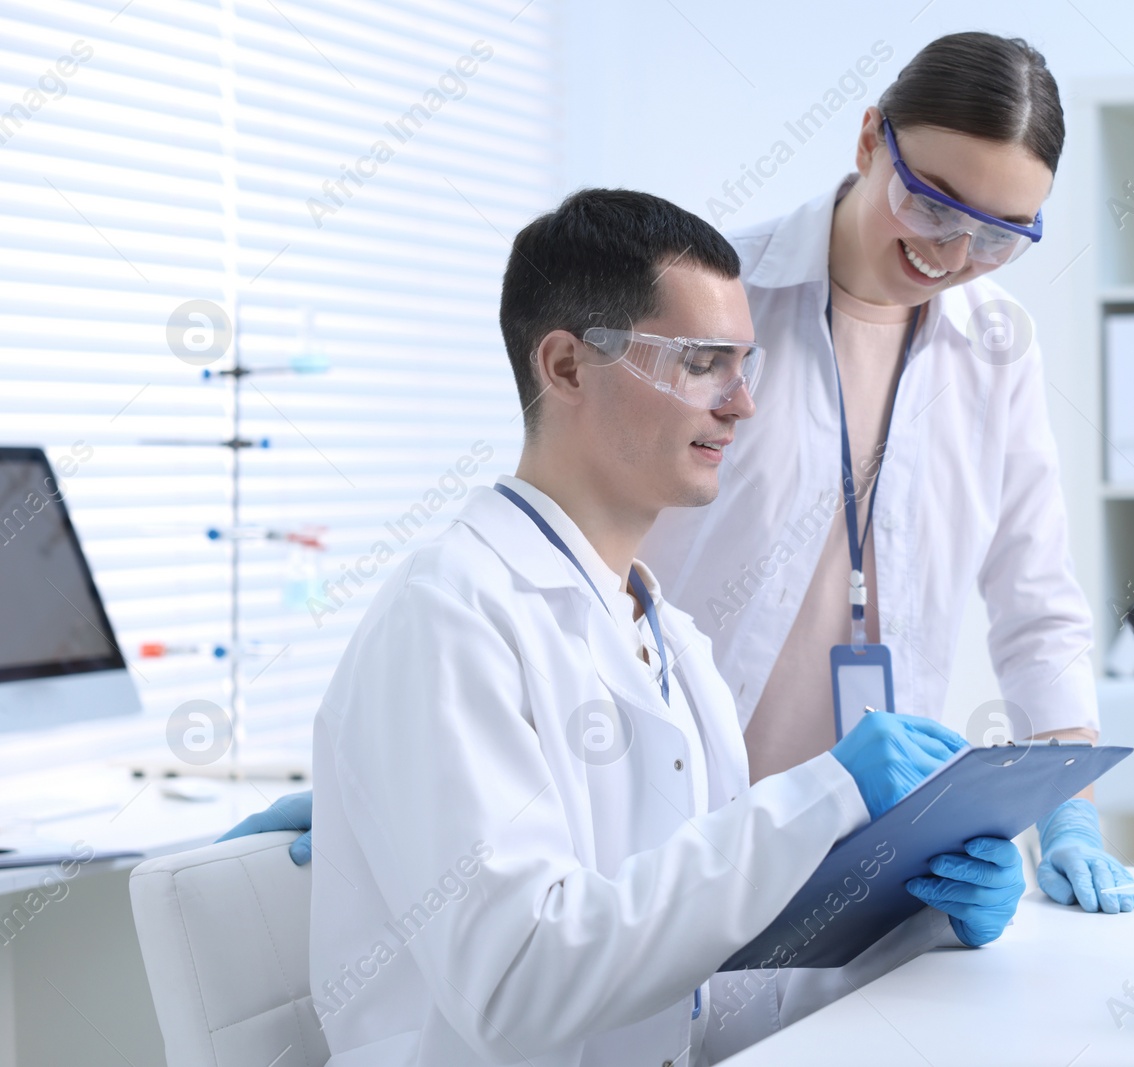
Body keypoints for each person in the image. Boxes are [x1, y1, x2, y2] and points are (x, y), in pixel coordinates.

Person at [231, 188, 1025, 1067]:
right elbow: (519, 982)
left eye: (743, 363)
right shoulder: (450, 614)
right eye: (702, 363)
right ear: (567, 366)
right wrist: (823, 795)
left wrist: (923, 920)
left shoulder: (672, 641)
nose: (742, 404)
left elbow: (707, 981)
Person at [641, 31, 1134, 913]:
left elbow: (1038, 598)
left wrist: (1068, 804)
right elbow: (584, 549)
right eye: (934, 205)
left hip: (876, 846)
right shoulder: (714, 295)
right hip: (682, 835)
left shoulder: (997, 346)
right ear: (871, 139)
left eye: (997, 237)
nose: (951, 256)